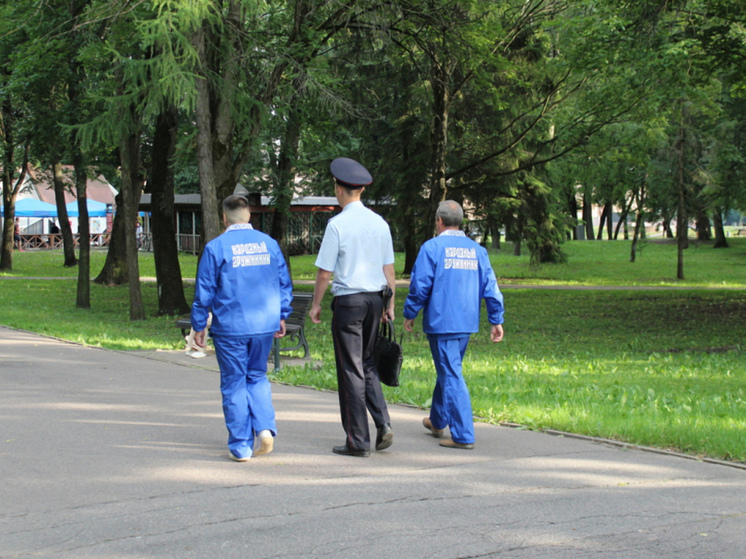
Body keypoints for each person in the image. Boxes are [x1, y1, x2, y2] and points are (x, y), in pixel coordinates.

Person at [191, 195, 293, 462]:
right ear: (249, 216)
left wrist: (198, 324)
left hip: (231, 327)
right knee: (257, 376)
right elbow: (283, 282)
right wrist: (282, 314)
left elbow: (204, 290)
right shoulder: (269, 244)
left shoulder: (216, 247)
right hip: (263, 325)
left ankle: (241, 446)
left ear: (224, 218)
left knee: (234, 382)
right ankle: (265, 427)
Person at [310, 157, 396, 458]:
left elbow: (324, 273)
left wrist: (316, 305)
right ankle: (383, 422)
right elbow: (389, 271)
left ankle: (357, 441)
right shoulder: (379, 222)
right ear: (360, 189)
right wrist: (390, 306)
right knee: (368, 362)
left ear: (339, 189)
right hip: (375, 300)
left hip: (349, 303)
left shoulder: (337, 225)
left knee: (350, 368)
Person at [403, 200, 505, 450]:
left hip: (441, 322)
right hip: (466, 322)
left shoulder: (432, 248)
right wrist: (496, 318)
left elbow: (420, 285)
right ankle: (438, 421)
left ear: (438, 220)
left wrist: (410, 311)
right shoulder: (477, 250)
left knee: (451, 374)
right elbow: (490, 286)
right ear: (460, 222)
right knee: (448, 369)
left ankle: (463, 434)